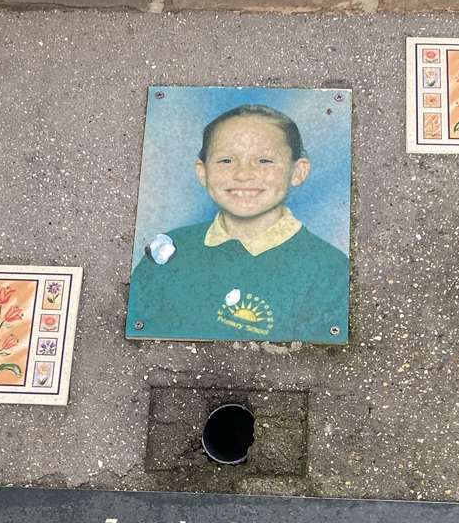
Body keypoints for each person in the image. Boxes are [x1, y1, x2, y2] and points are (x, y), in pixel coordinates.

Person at [126, 104, 349, 344]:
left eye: (264, 161)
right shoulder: (169, 250)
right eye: (226, 160)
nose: (243, 174)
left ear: (298, 171)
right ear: (202, 172)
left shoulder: (329, 270)